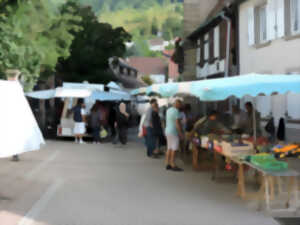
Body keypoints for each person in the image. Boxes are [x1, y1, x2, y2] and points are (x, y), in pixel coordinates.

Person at [165, 99, 184, 172]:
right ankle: (173, 164)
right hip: (173, 132)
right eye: (180, 105)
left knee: (169, 147)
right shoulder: (176, 111)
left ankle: (167, 163)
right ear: (177, 104)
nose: (180, 106)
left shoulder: (168, 110)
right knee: (174, 148)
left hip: (167, 131)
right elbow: (177, 124)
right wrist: (180, 133)